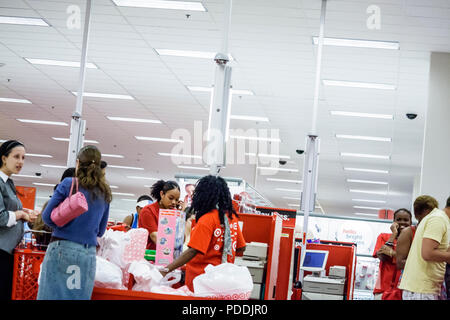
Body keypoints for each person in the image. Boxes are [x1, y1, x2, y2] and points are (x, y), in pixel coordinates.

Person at [37, 145, 112, 300]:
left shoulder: (68, 184)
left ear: (78, 163)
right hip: (87, 253)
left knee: (51, 295)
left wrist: (62, 221)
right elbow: (101, 231)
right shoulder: (104, 191)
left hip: (61, 249)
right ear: (99, 166)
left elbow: (46, 217)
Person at [159, 175, 246, 293]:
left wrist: (166, 269)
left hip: (201, 282)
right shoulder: (232, 218)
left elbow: (192, 251)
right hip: (223, 281)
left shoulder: (207, 219)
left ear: (204, 195)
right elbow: (241, 247)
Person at [0, 140, 39, 300]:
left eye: (23, 157)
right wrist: (22, 215)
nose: (20, 162)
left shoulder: (8, 182)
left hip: (7, 251)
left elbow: (9, 208)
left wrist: (25, 211)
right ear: (3, 158)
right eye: (16, 157)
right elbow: (1, 217)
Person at [398, 195, 450, 300]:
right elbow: (427, 253)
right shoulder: (438, 220)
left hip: (424, 289)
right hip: (421, 290)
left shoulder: (440, 219)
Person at [372, 208, 412, 300]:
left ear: (410, 222)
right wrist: (394, 234)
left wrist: (392, 253)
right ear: (394, 222)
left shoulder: (413, 240)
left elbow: (412, 260)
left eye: (406, 220)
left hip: (403, 291)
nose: (402, 222)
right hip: (382, 289)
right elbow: (382, 256)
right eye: (398, 220)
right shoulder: (383, 236)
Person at [139, 180, 183, 250]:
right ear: (162, 194)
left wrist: (181, 218)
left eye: (177, 199)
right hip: (150, 255)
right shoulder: (148, 211)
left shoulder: (174, 213)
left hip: (169, 253)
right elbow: (154, 236)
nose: (174, 202)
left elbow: (181, 238)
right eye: (171, 198)